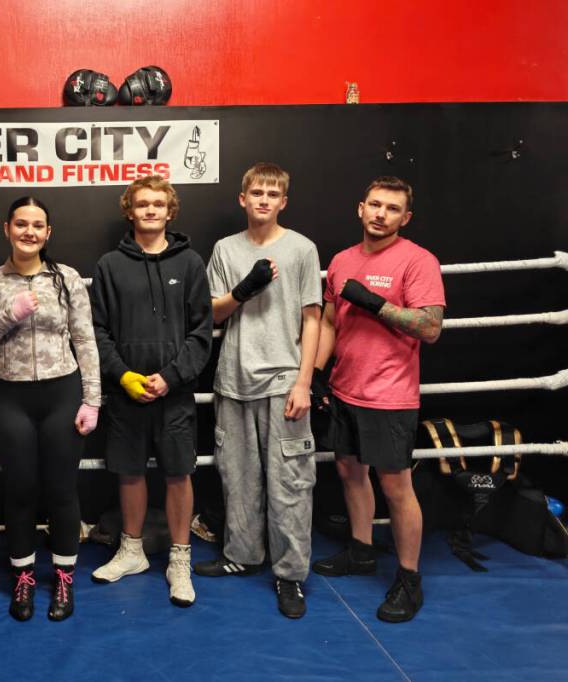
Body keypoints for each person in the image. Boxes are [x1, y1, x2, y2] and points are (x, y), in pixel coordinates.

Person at [311, 176, 445, 623]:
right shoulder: (343, 260)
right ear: (360, 208)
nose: (380, 214)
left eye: (391, 209)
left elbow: (429, 328)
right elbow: (330, 321)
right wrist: (314, 374)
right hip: (346, 388)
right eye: (374, 205)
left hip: (390, 396)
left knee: (396, 486)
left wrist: (375, 303)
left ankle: (409, 580)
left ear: (404, 218)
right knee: (350, 473)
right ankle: (362, 550)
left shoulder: (417, 261)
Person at [0, 196, 101, 622]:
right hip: (12, 398)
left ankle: (63, 576)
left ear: (48, 233)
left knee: (61, 490)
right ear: (7, 229)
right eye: (20, 224)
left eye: (37, 225)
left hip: (62, 393)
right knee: (20, 490)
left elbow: (85, 340)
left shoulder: (67, 278)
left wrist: (92, 398)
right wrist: (9, 314)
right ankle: (23, 577)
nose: (29, 231)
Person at [195, 162, 321, 619]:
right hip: (233, 378)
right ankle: (243, 555)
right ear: (242, 199)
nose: (264, 200)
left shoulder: (302, 249)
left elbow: (312, 318)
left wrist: (304, 381)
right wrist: (243, 291)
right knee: (238, 476)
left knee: (289, 482)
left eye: (272, 194)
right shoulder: (225, 250)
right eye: (256, 193)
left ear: (283, 201)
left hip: (284, 378)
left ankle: (290, 575)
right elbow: (212, 314)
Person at [90, 175, 213, 607]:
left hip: (174, 392)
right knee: (130, 471)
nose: (150, 211)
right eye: (142, 204)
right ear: (130, 210)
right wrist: (123, 376)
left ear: (170, 210)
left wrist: (172, 376)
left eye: (158, 204)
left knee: (179, 473)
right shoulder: (109, 265)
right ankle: (132, 550)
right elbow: (98, 332)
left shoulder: (191, 263)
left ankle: (180, 559)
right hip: (127, 392)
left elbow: (202, 332)